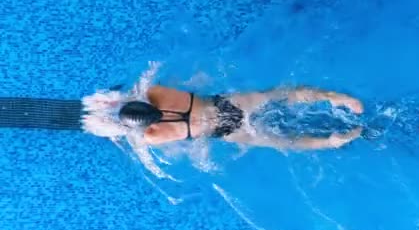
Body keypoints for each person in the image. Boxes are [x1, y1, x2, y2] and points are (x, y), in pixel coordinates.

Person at [118, 85, 364, 150]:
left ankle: (329, 142)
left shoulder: (153, 135)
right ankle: (336, 98)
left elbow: (128, 132)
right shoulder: (158, 92)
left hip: (226, 132)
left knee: (287, 141)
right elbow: (139, 92)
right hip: (226, 105)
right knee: (285, 95)